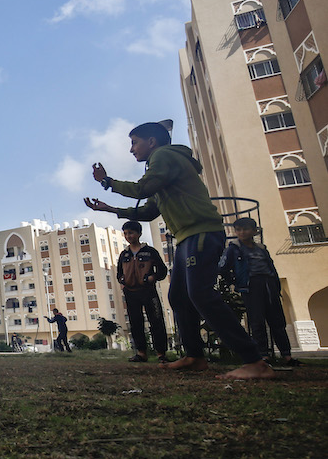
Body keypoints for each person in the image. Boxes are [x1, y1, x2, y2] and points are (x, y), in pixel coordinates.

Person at [85, 121, 271, 379]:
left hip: (200, 233)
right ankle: (195, 357)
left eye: (134, 143)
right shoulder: (162, 169)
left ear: (152, 142)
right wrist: (111, 210)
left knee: (201, 294)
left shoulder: (164, 156)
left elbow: (142, 189)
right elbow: (149, 210)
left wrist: (107, 181)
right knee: (180, 297)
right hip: (187, 238)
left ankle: (254, 361)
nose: (131, 150)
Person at [221, 217, 300, 366]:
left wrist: (276, 286)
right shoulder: (234, 247)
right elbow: (223, 267)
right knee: (257, 321)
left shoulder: (261, 248)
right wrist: (235, 281)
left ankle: (287, 356)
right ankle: (263, 356)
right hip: (251, 285)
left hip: (268, 283)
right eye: (238, 229)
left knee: (277, 320)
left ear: (254, 231)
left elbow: (271, 267)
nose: (242, 232)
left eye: (245, 229)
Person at [117, 220, 169, 363]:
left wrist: (152, 277)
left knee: (156, 321)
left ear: (139, 233)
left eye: (131, 233)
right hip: (130, 292)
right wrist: (123, 280)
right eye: (126, 233)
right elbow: (119, 273)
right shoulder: (124, 254)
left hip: (148, 291)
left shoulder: (150, 251)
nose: (128, 236)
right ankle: (141, 353)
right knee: (135, 322)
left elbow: (162, 271)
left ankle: (161, 353)